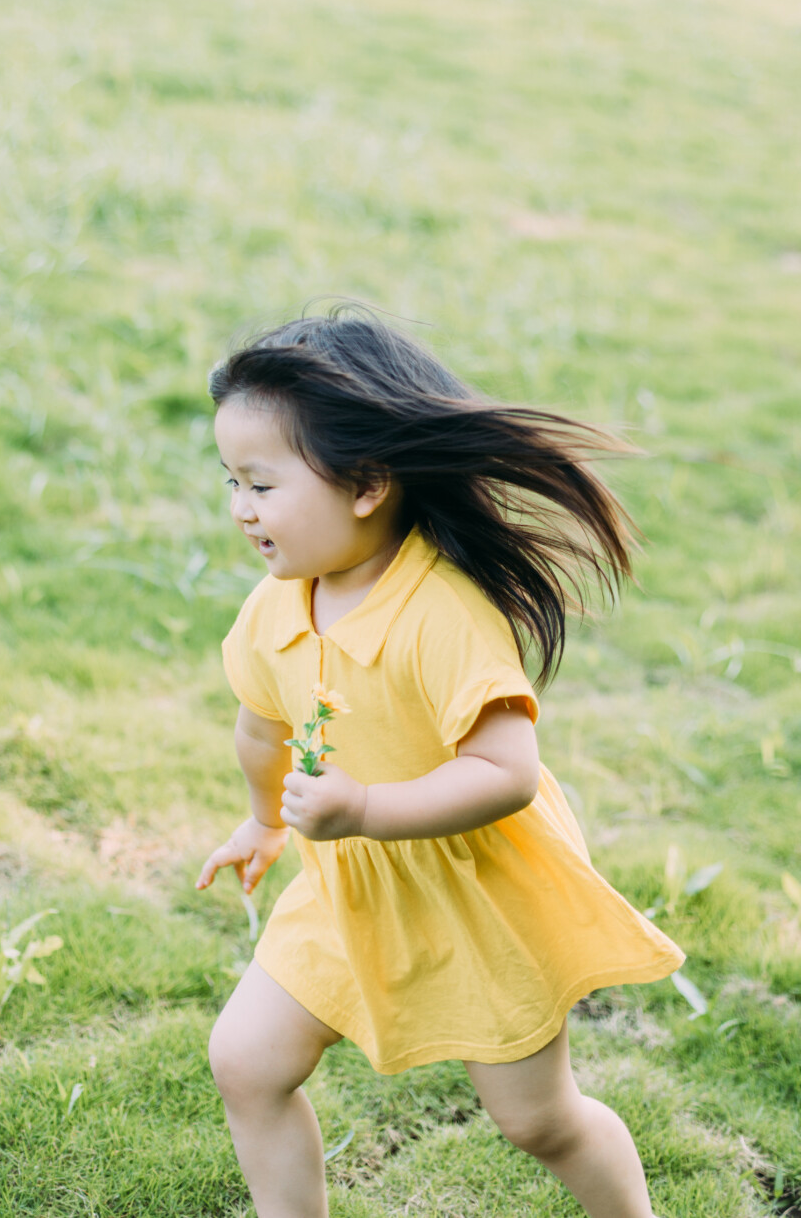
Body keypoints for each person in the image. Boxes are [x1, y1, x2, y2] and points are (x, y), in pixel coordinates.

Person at [196, 307, 683, 1218]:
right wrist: (265, 819)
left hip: (478, 896)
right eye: (230, 481)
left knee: (539, 1123)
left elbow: (507, 773)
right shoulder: (276, 606)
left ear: (368, 483)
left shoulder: (442, 613)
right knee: (246, 1062)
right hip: (351, 885)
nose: (240, 508)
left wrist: (366, 810)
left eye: (261, 483)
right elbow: (259, 725)